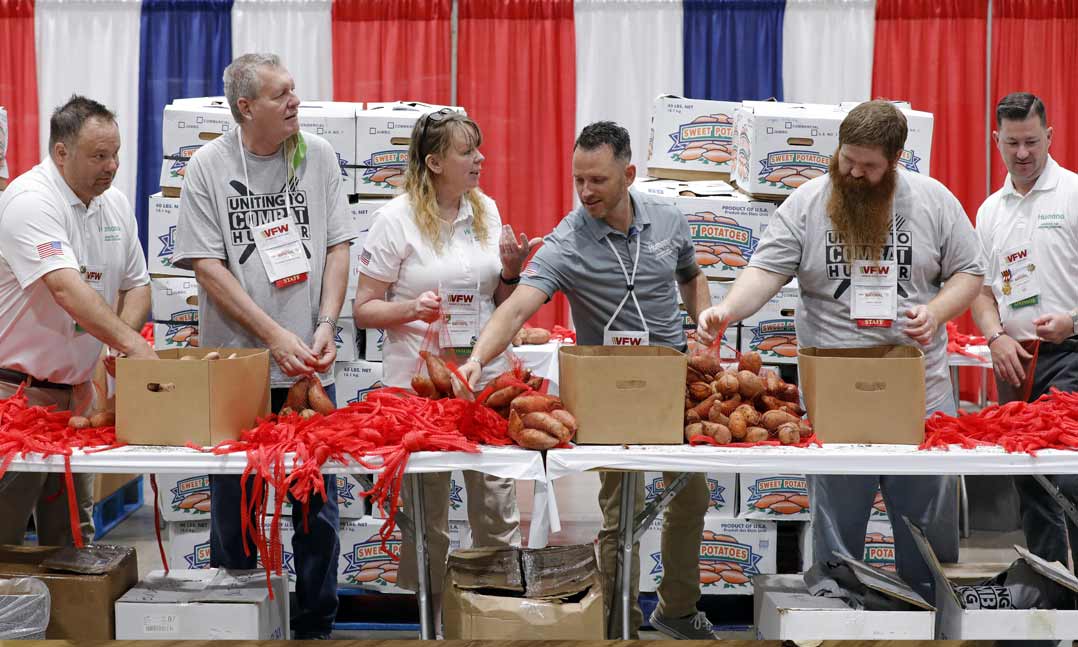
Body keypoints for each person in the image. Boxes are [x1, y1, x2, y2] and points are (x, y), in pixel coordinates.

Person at [697, 100, 984, 603]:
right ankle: (836, 606)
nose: (853, 172)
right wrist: (729, 310)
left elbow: (969, 272)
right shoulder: (807, 203)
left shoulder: (934, 201)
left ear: (896, 158)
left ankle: (928, 606)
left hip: (917, 391)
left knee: (924, 520)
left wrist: (936, 312)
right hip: (835, 393)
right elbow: (765, 271)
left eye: (868, 166)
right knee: (837, 519)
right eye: (847, 159)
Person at [459, 121, 716, 639]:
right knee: (621, 512)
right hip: (611, 391)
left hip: (673, 383)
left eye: (597, 180)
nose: (585, 192)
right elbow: (516, 312)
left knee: (689, 500)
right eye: (578, 180)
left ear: (629, 174)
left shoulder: (668, 219)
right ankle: (621, 619)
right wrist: (476, 356)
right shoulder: (568, 241)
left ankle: (679, 610)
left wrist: (704, 322)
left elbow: (691, 274)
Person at [172, 53, 353, 639]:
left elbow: (338, 245)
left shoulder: (318, 156)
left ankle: (315, 621)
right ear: (246, 107)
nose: (296, 101)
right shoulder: (207, 165)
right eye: (282, 94)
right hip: (237, 372)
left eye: (294, 90)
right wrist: (273, 336)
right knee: (234, 508)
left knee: (316, 506)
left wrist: (325, 323)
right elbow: (205, 265)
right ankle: (238, 618)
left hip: (307, 371)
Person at [353, 109, 532, 633]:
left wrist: (511, 272)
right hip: (417, 384)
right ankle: (431, 618)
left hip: (484, 378)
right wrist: (410, 309)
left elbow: (500, 299)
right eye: (466, 151)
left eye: (478, 148)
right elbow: (364, 308)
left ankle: (495, 611)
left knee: (496, 500)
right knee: (425, 506)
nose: (479, 159)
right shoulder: (396, 218)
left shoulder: (487, 210)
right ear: (434, 162)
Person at [0, 95, 156, 545]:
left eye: (116, 154)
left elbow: (138, 284)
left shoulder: (115, 204)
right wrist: (135, 346)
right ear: (61, 152)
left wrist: (115, 348)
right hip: (16, 398)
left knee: (73, 535)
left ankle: (69, 617)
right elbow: (67, 289)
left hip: (78, 399)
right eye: (99, 156)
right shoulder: (30, 201)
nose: (111, 166)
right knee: (5, 534)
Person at [971, 92, 1078, 571]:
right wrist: (996, 336)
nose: (1022, 153)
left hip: (1070, 353)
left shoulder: (1073, 195)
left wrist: (1072, 321)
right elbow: (979, 289)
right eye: (1012, 142)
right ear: (996, 141)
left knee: (1070, 480)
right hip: (1014, 361)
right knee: (1029, 484)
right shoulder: (990, 211)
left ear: (1050, 137)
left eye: (1032, 141)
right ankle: (1050, 596)